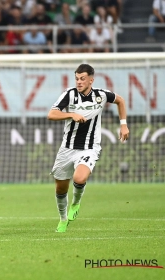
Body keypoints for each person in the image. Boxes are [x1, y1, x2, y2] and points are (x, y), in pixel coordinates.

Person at [48, 64, 129, 233]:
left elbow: (120, 100)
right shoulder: (69, 95)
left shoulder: (101, 95)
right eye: (77, 78)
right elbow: (52, 114)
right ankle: (63, 218)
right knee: (60, 188)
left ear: (91, 80)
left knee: (79, 178)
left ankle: (76, 203)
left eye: (82, 79)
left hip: (90, 148)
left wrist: (123, 125)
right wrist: (71, 114)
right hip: (67, 148)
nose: (79, 82)